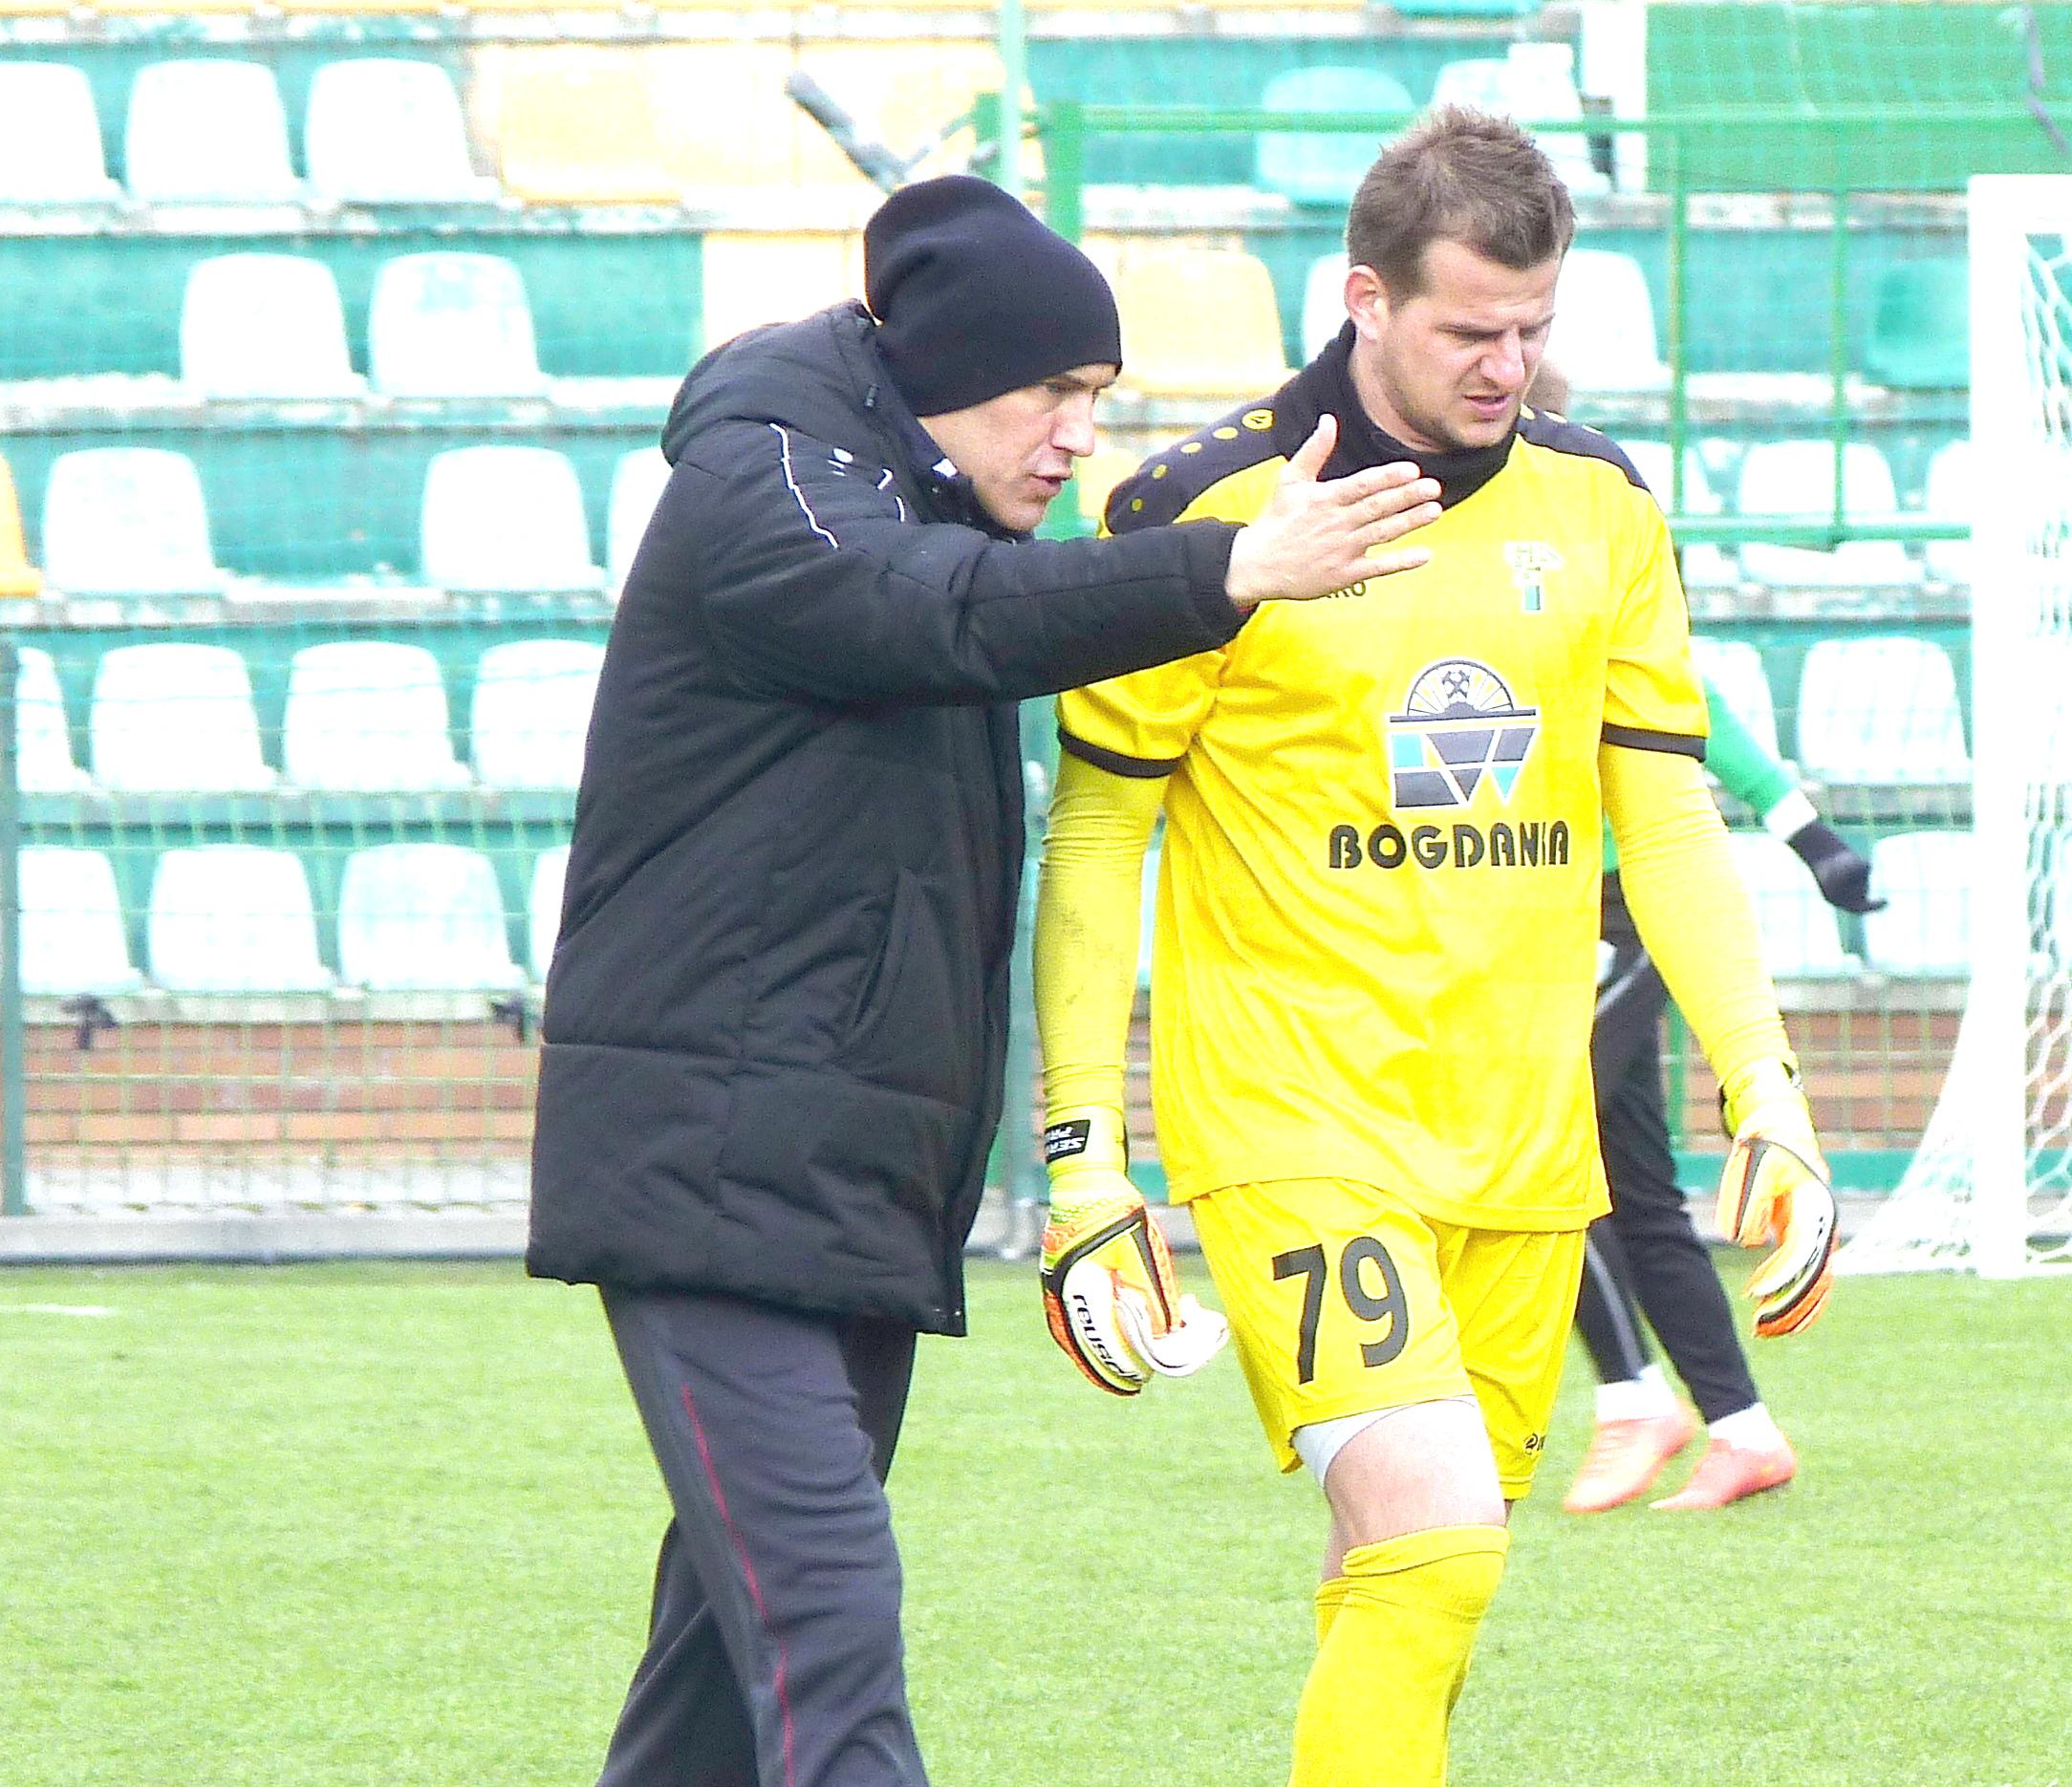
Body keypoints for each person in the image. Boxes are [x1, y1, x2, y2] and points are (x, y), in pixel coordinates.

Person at [526, 172, 1446, 1787]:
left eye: (1097, 398)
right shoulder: (777, 491)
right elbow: (928, 612)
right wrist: (1227, 564)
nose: (1079, 435)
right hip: (708, 1171)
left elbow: (976, 606)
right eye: (1054, 392)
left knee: (723, 1665)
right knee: (825, 1628)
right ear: (947, 371)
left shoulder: (921, 496)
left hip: (839, 1175)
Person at [1030, 108, 1838, 1787]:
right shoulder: (1206, 504)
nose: (1510, 363)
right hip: (1295, 1122)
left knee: (1410, 1583)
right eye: (1472, 328)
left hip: (1522, 1142)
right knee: (1441, 1529)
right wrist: (1079, 1154)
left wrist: (1766, 1078)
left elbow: (1667, 812)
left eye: (1537, 326)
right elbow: (1103, 828)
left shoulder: (1600, 501)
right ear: (1364, 298)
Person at [1517, 357, 1888, 1515]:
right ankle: (1742, 1428)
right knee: (1628, 1183)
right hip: (1519, 905)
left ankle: (1633, 1399)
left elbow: (1688, 702)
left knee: (1533, 1127)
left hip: (1619, 901)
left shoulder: (1595, 525)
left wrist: (1809, 833)